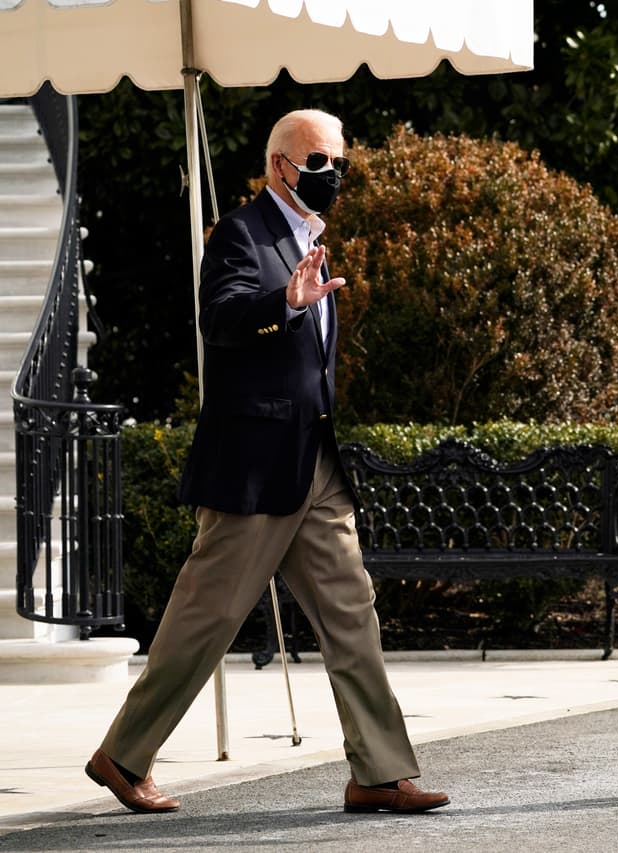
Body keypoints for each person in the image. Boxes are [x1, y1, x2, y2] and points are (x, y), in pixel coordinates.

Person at [85, 109, 449, 816]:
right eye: (319, 162)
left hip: (313, 463)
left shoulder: (310, 238)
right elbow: (219, 316)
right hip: (253, 467)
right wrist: (282, 300)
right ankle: (122, 756)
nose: (332, 175)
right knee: (206, 618)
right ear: (279, 165)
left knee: (353, 613)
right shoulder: (241, 234)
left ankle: (379, 770)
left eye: (339, 162)